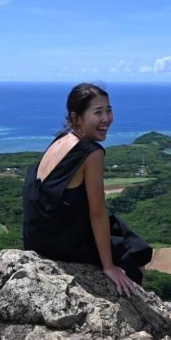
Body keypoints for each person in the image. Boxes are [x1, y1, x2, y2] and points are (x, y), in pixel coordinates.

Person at [22, 83, 152, 297]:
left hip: (37, 238)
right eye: (98, 112)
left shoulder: (62, 139)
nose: (106, 119)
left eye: (108, 110)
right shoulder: (91, 153)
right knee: (134, 254)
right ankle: (135, 298)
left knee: (119, 228)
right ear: (77, 117)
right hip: (59, 242)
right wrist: (108, 266)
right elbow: (97, 213)